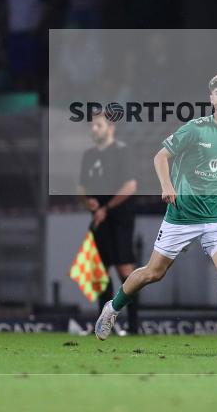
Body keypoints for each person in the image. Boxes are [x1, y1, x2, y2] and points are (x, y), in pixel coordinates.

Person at [94, 72, 217, 354]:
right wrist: (167, 185)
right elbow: (160, 157)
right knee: (153, 273)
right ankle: (112, 307)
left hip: (216, 217)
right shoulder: (195, 129)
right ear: (211, 99)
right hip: (182, 215)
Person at [79, 112, 139, 334]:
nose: (94, 129)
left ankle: (133, 327)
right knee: (99, 271)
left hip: (119, 218)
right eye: (92, 125)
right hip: (99, 219)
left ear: (110, 127)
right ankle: (103, 324)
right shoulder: (88, 155)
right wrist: (89, 202)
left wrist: (106, 208)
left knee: (125, 270)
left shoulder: (123, 152)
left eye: (98, 125)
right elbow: (82, 188)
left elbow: (130, 186)